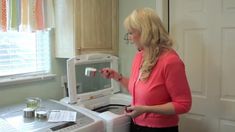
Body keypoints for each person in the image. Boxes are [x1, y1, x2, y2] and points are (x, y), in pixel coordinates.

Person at [100, 8, 192, 132]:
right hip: (136, 125)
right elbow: (139, 89)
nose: (130, 38)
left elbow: (183, 104)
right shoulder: (140, 56)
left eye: (132, 33)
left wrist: (146, 109)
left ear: (146, 33)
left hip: (160, 129)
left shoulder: (170, 62)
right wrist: (117, 77)